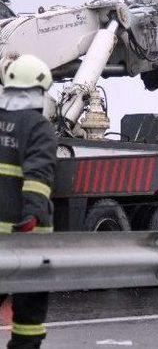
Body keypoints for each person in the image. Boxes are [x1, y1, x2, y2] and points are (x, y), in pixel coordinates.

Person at [0, 54, 57, 349]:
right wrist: (32, 216)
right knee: (28, 320)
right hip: (28, 240)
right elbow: (38, 176)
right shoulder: (39, 127)